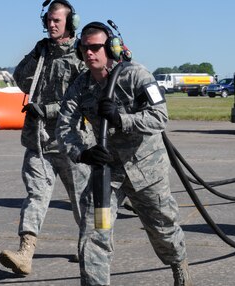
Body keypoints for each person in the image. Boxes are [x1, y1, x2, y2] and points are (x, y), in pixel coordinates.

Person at [56, 22, 193, 286]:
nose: (89, 53)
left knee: (163, 229)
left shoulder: (136, 75)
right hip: (108, 173)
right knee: (95, 231)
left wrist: (121, 119)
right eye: (84, 48)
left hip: (146, 170)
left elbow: (159, 117)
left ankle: (179, 263)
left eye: (95, 47)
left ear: (111, 48)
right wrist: (82, 154)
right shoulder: (80, 86)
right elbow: (64, 128)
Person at [0, 0, 92, 275]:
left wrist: (49, 109)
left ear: (70, 23)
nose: (51, 25)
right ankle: (25, 252)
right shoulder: (42, 52)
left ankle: (90, 246)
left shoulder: (81, 56)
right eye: (48, 20)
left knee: (83, 200)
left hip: (72, 141)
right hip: (39, 141)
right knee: (35, 196)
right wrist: (36, 54)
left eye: (57, 21)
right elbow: (20, 78)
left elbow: (86, 98)